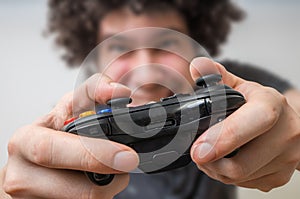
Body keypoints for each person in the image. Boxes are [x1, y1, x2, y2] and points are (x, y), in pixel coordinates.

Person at [1, 0, 300, 198]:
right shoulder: (75, 127)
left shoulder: (228, 83)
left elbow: (288, 107)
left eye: (168, 42)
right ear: (95, 57)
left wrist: (293, 132)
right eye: (119, 47)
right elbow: (25, 173)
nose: (145, 67)